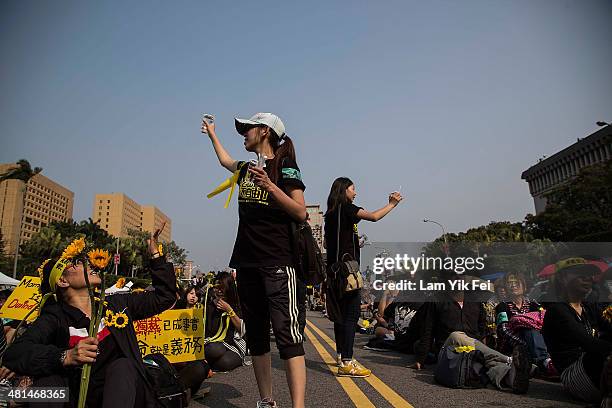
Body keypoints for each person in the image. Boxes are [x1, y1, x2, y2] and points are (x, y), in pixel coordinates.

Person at [3, 228, 176, 408]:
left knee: (123, 366)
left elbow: (165, 297)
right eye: (76, 263)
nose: (89, 264)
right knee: (49, 383)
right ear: (63, 281)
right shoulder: (54, 317)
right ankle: (12, 398)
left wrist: (156, 255)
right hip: (75, 396)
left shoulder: (117, 304)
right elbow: (15, 354)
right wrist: (66, 356)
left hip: (120, 394)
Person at [203, 112, 307, 408]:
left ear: (264, 131)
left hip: (277, 261)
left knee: (287, 336)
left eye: (247, 129)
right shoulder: (246, 168)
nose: (243, 134)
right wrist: (212, 133)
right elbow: (225, 160)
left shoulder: (286, 166)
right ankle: (267, 401)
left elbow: (300, 212)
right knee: (257, 337)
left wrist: (270, 186)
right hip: (246, 263)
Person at [323, 177, 403, 377]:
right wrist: (392, 204)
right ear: (344, 191)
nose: (355, 193)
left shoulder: (330, 214)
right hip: (348, 273)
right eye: (353, 189)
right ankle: (348, 362)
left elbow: (326, 244)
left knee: (339, 317)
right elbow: (374, 217)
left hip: (334, 272)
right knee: (351, 315)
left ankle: (342, 355)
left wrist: (351, 244)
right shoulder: (348, 208)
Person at [411, 275, 532, 394]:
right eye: (453, 277)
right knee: (456, 335)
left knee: (489, 365)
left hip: (474, 350)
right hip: (450, 350)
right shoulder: (436, 300)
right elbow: (427, 331)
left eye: (461, 277)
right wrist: (420, 359)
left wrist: (485, 350)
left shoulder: (475, 300)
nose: (458, 280)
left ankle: (512, 379)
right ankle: (509, 360)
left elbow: (482, 328)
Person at [542, 258, 612, 406]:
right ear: (562, 278)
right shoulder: (557, 310)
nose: (587, 278)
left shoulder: (589, 307)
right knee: (600, 352)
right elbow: (589, 344)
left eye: (589, 274)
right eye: (580, 273)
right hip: (575, 374)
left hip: (595, 366)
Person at [495, 272, 555, 377]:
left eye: (516, 283)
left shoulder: (534, 305)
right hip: (515, 347)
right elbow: (503, 330)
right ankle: (544, 362)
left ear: (525, 286)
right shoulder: (502, 306)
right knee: (529, 329)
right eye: (509, 283)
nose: (513, 285)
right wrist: (525, 343)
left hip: (538, 344)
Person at [201, 272, 248, 373]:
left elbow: (242, 330)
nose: (219, 291)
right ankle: (206, 364)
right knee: (215, 349)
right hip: (213, 343)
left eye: (222, 288)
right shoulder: (208, 305)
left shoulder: (237, 304)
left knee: (225, 362)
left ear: (229, 288)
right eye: (216, 287)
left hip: (232, 345)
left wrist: (229, 310)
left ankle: (207, 365)